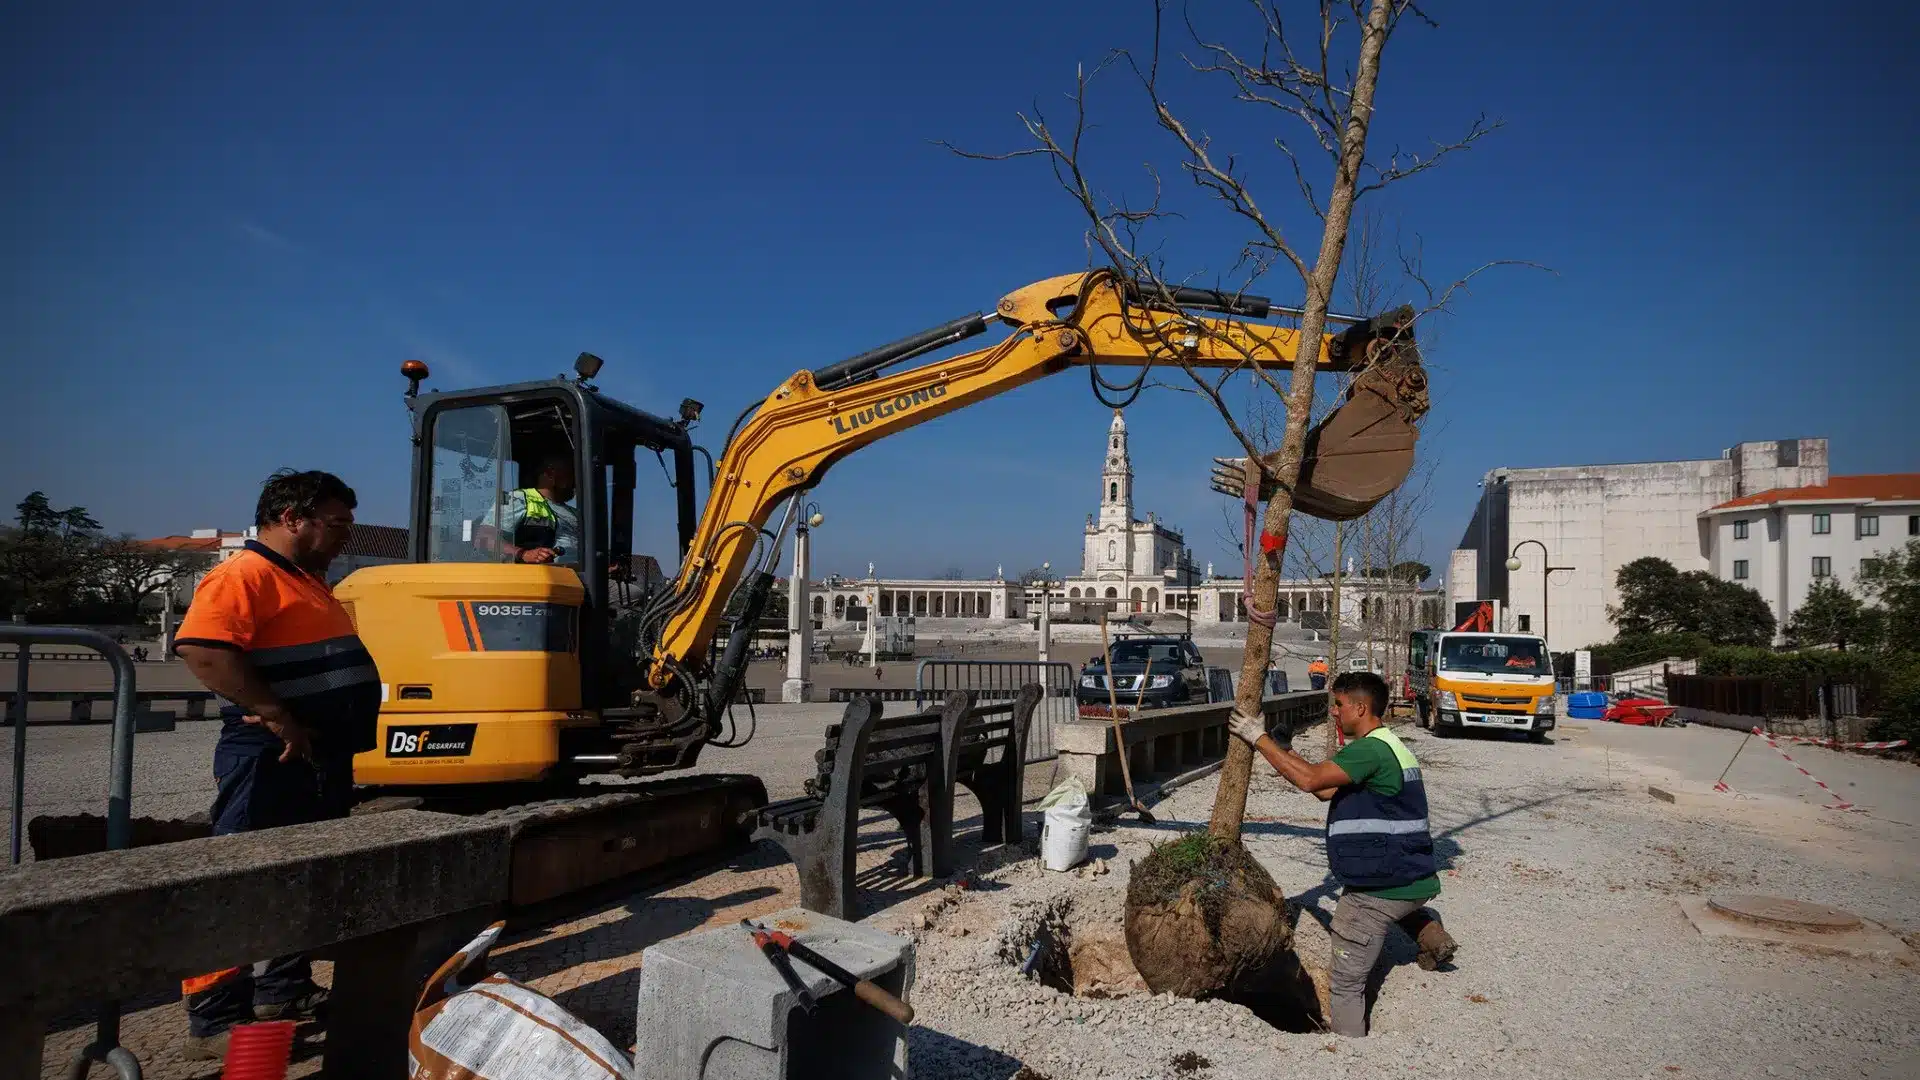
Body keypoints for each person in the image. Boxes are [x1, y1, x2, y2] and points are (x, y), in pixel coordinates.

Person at [170, 470, 383, 1059]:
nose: (344, 536)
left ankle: (282, 990)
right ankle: (214, 1018)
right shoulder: (245, 573)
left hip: (315, 756)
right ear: (293, 517)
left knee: (304, 874)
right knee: (236, 880)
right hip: (270, 753)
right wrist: (274, 712)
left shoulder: (304, 579)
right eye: (336, 523)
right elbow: (203, 647)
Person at [1228, 671, 1458, 1038]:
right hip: (1413, 876)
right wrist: (1285, 751)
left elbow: (1309, 781)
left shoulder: (1370, 750)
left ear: (1361, 707)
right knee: (1396, 903)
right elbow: (1323, 791)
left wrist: (1258, 738)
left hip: (1384, 885)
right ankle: (1430, 934)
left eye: (1338, 704)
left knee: (1347, 980)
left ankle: (1349, 1053)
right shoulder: (1390, 746)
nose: (1334, 712)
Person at [477, 453, 581, 566]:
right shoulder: (518, 499)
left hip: (579, 577)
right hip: (542, 578)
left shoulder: (575, 513)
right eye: (570, 474)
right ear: (551, 473)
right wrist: (523, 554)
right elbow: (484, 537)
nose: (575, 481)